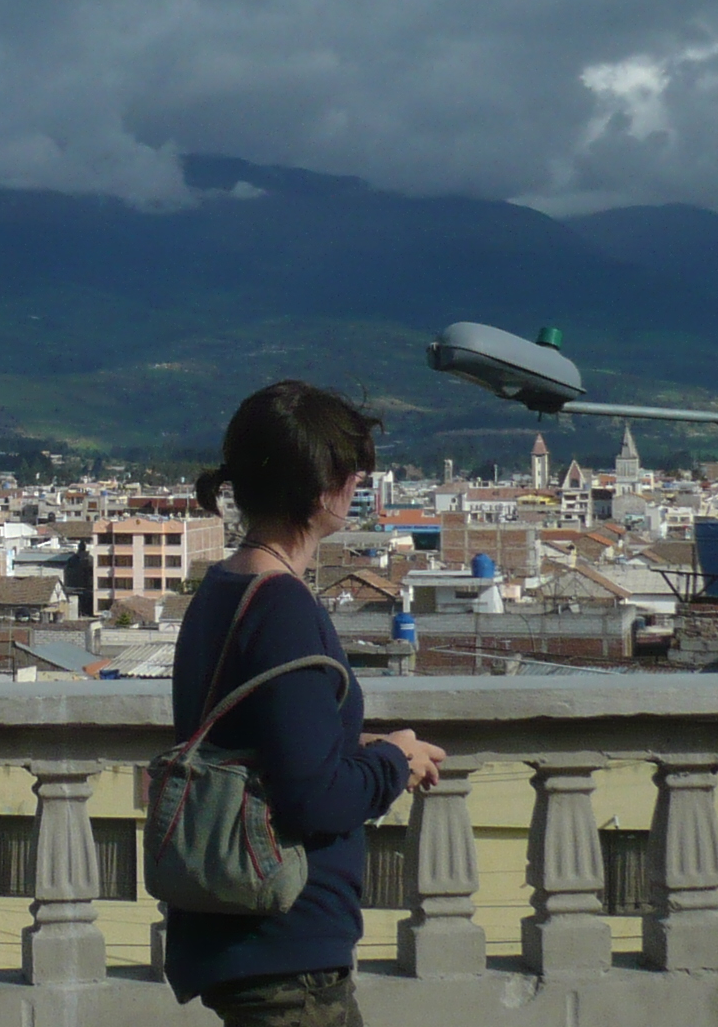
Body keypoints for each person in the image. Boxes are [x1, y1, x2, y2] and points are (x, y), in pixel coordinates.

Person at [165, 381, 447, 1027]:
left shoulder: (222, 589)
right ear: (324, 488)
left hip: (239, 941)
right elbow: (313, 800)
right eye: (352, 470)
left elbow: (264, 749)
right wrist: (394, 763)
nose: (358, 483)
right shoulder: (283, 608)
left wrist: (364, 747)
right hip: (286, 948)